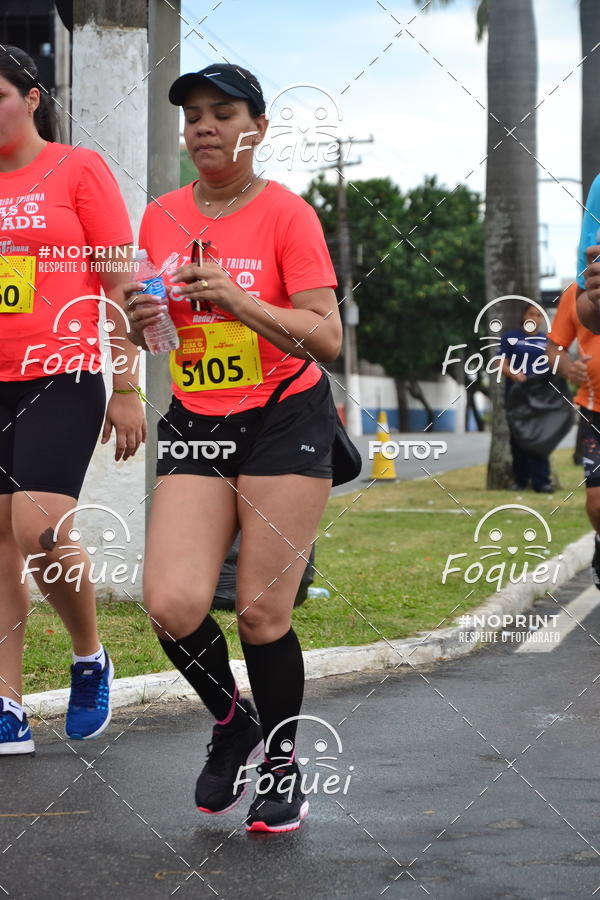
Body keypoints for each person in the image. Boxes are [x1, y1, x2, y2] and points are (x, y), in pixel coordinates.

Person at [124, 64, 342, 833]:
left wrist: (241, 300)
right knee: (172, 603)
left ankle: (283, 759)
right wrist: (138, 320)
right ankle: (232, 719)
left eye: (222, 114)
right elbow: (157, 327)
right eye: (193, 118)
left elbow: (327, 335)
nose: (204, 128)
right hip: (198, 413)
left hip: (286, 415)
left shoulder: (288, 216)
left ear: (257, 128)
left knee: (259, 612)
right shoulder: (160, 215)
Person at [0, 47, 145, 755]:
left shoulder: (77, 168)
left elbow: (119, 288)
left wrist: (125, 386)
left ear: (31, 97)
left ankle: (90, 656)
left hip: (59, 371)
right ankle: (7, 704)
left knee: (38, 530)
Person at [547, 283, 600, 584]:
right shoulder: (577, 291)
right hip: (595, 412)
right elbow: (554, 347)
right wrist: (567, 367)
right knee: (596, 502)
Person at [500, 303, 553, 493]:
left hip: (539, 397)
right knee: (518, 440)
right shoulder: (510, 338)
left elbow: (554, 366)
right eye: (531, 313)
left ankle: (542, 482)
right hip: (516, 397)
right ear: (524, 316)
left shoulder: (547, 340)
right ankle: (521, 480)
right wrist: (514, 373)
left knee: (540, 438)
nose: (535, 317)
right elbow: (501, 364)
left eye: (539, 315)